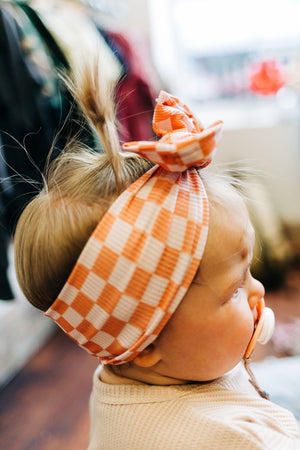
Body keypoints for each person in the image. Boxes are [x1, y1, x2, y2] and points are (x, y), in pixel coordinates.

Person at [14, 60, 300, 449]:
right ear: (144, 343)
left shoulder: (132, 373)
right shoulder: (238, 441)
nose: (258, 291)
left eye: (247, 272)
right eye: (233, 290)